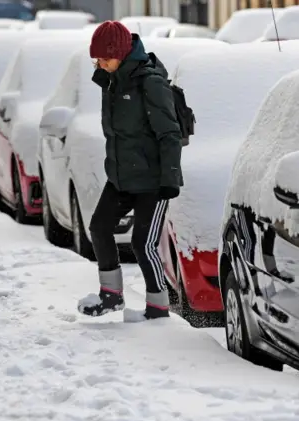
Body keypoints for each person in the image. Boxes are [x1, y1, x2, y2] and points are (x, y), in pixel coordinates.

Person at [77, 20, 183, 320]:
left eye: (104, 58)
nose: (99, 64)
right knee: (99, 227)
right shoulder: (111, 81)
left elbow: (169, 133)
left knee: (143, 244)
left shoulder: (150, 83)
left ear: (121, 53)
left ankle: (159, 309)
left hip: (153, 180)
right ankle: (111, 296)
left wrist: (170, 179)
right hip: (122, 177)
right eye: (95, 59)